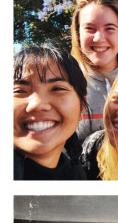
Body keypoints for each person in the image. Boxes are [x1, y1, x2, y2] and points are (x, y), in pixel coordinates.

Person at [70, 0, 118, 141]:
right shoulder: (65, 84)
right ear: (78, 34)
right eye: (89, 28)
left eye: (109, 28)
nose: (99, 38)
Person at [14, 42, 89, 180]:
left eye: (57, 89)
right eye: (19, 91)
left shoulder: (76, 175)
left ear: (82, 108)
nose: (37, 104)